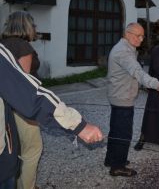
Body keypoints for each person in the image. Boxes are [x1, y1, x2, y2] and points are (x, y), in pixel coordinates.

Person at [0, 43, 103, 188]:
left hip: (15, 109)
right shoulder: (23, 48)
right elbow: (28, 92)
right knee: (32, 151)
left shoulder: (7, 41)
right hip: (21, 112)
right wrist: (79, 126)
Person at [104, 23, 159, 177]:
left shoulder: (127, 48)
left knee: (116, 129)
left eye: (142, 36)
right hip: (122, 97)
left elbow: (130, 74)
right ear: (127, 33)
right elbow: (138, 73)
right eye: (138, 36)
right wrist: (158, 85)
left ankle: (111, 159)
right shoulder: (123, 52)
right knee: (123, 132)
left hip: (118, 94)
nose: (141, 39)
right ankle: (118, 166)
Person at [0, 11, 42, 189]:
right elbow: (23, 85)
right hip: (21, 108)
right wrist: (32, 113)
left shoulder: (2, 44)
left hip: (5, 108)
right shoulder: (23, 47)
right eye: (32, 24)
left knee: (11, 148)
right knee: (33, 149)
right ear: (25, 25)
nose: (35, 28)